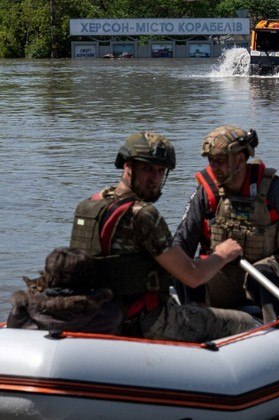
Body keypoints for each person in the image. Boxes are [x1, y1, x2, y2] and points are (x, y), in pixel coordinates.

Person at [66, 131, 259, 342]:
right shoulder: (143, 214)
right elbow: (193, 276)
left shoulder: (87, 206)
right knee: (246, 322)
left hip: (99, 314)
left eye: (160, 171)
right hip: (145, 321)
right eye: (147, 169)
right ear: (127, 166)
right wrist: (222, 254)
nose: (155, 179)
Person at [173, 125, 279, 323]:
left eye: (220, 160)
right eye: (211, 160)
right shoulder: (206, 193)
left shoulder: (272, 189)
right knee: (185, 271)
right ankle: (195, 324)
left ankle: (276, 327)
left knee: (261, 275)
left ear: (240, 160)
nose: (213, 167)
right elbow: (181, 241)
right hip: (222, 273)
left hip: (266, 270)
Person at [7, 247, 123, 334]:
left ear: (47, 276)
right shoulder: (109, 310)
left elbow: (13, 339)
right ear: (90, 276)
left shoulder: (23, 310)